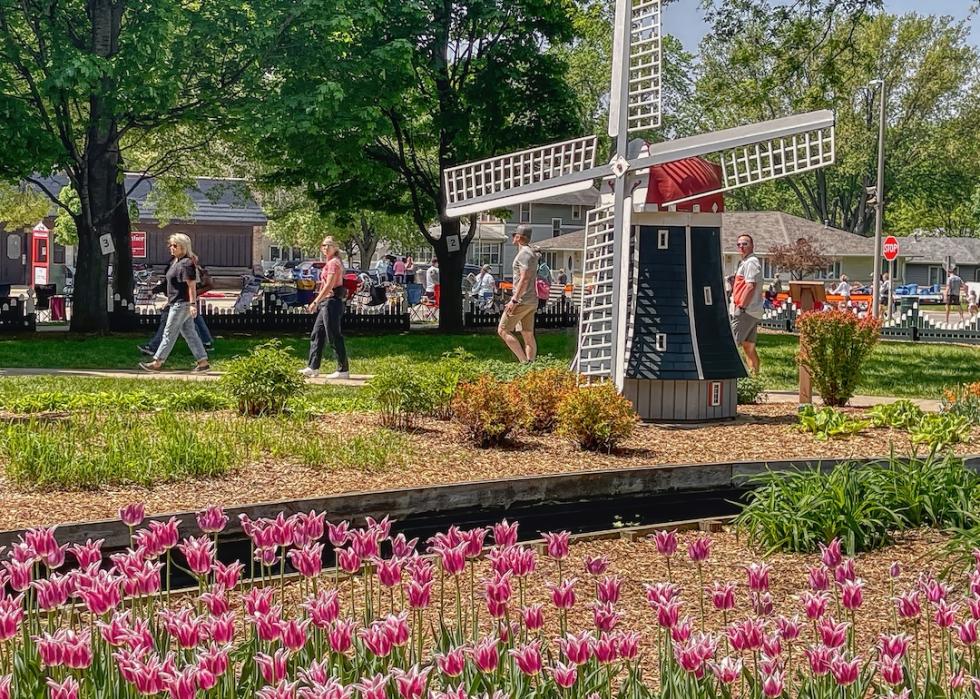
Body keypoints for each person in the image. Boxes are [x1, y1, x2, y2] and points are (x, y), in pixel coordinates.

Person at [139, 233, 210, 373]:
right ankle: (203, 363)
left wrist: (192, 304)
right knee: (190, 333)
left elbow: (191, 285)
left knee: (169, 332)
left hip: (182, 304)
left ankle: (157, 362)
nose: (171, 247)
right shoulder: (175, 262)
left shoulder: (187, 263)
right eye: (170, 245)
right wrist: (155, 291)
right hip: (176, 302)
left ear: (183, 247)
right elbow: (170, 284)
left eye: (174, 245)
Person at [139, 255, 214, 356]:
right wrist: (154, 291)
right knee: (191, 327)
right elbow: (169, 284)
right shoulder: (176, 266)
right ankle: (205, 348)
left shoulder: (189, 267)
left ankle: (154, 350)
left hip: (181, 301)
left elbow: (199, 286)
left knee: (169, 328)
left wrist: (192, 298)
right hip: (180, 300)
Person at [300, 237, 350, 380]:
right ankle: (313, 367)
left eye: (329, 245)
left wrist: (315, 302)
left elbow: (329, 285)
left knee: (334, 335)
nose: (326, 248)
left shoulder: (334, 263)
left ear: (335, 248)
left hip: (332, 302)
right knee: (317, 334)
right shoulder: (330, 263)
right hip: (327, 302)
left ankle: (343, 369)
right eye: (323, 245)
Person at [498, 225, 539, 363]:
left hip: (522, 300)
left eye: (514, 235)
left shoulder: (524, 254)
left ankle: (524, 363)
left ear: (518, 237)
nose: (512, 238)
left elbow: (525, 277)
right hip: (531, 300)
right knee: (527, 334)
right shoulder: (531, 252)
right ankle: (530, 366)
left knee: (503, 330)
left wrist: (514, 300)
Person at [729, 234, 764, 375]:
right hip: (752, 311)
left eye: (745, 244)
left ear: (752, 246)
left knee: (731, 345)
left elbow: (750, 286)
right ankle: (755, 378)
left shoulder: (751, 262)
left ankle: (734, 378)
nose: (741, 247)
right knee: (748, 347)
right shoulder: (745, 262)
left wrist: (741, 307)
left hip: (746, 311)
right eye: (739, 244)